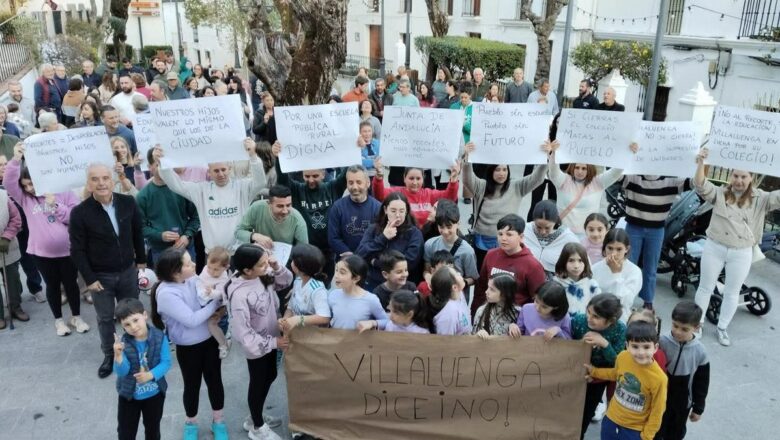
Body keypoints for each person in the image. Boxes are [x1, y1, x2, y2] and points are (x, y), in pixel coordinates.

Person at [692, 147, 780, 346]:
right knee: (705, 287)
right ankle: (697, 324)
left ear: (752, 178)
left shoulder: (761, 198)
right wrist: (701, 163)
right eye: (736, 175)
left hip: (741, 251)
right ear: (731, 176)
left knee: (732, 291)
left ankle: (722, 327)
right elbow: (701, 185)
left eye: (744, 176)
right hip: (715, 246)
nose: (739, 180)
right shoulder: (721, 193)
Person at [69, 163, 147, 378]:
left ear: (112, 180)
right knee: (105, 318)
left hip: (128, 271)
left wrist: (141, 261)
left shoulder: (127, 202)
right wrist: (90, 279)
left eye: (105, 177)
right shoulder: (80, 213)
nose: (101, 182)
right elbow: (77, 250)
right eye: (95, 179)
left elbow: (137, 233)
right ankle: (110, 355)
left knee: (132, 313)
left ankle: (137, 350)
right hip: (100, 277)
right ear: (88, 183)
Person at [7, 144, 85, 336]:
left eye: (31, 183)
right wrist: (16, 159)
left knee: (71, 284)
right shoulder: (25, 198)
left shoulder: (63, 192)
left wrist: (56, 205)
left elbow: (75, 217)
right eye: (24, 185)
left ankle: (76, 316)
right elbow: (9, 182)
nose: (28, 188)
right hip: (41, 253)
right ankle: (58, 320)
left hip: (68, 250)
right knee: (52, 286)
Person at [150, 248, 227, 440]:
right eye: (188, 263)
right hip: (188, 348)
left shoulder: (191, 279)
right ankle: (191, 422)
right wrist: (215, 305)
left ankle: (218, 421)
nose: (194, 264)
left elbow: (212, 289)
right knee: (192, 385)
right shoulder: (166, 293)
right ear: (175, 272)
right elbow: (192, 320)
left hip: (209, 342)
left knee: (215, 381)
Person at [226, 244, 290, 440]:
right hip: (258, 346)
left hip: (271, 337)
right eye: (262, 264)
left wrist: (277, 266)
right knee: (258, 382)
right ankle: (257, 426)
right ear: (247, 270)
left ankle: (255, 416)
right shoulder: (238, 295)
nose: (267, 266)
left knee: (269, 375)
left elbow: (285, 281)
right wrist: (273, 343)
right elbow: (243, 334)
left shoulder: (261, 274)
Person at [159, 140, 267, 254]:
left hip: (239, 252)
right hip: (213, 255)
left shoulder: (242, 187)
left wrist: (253, 156)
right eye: (216, 171)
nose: (221, 174)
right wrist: (162, 162)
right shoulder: (201, 190)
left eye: (223, 169)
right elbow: (176, 185)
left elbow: (260, 182)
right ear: (209, 172)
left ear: (229, 169)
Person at [462, 141, 548, 268]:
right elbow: (467, 179)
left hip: (508, 242)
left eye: (504, 169)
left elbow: (537, 178)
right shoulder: (481, 186)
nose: (501, 173)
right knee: (483, 274)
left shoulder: (517, 186)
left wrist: (545, 158)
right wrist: (467, 158)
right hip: (482, 241)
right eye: (497, 169)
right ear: (491, 171)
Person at [585, 320, 668, 440]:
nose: (640, 352)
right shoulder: (622, 357)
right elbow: (615, 374)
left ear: (655, 348)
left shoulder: (659, 379)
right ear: (627, 345)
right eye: (635, 346)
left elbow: (658, 410)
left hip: (634, 429)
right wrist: (594, 371)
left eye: (646, 347)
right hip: (611, 420)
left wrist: (647, 436)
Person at [621, 172, 690, 310]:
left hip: (656, 229)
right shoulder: (632, 176)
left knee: (651, 267)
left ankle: (648, 299)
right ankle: (624, 299)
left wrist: (700, 163)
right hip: (634, 227)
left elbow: (695, 183)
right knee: (628, 265)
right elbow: (616, 175)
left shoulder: (671, 180)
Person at [543, 139, 636, 236]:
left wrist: (627, 154)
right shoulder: (563, 181)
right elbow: (553, 172)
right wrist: (554, 153)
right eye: (577, 167)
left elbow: (615, 173)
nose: (580, 171)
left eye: (584, 168)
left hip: (587, 236)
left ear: (589, 169)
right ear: (572, 167)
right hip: (563, 234)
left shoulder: (597, 183)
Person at [113, 298, 171, 440]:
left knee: (153, 430)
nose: (133, 327)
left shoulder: (159, 337)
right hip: (129, 396)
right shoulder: (124, 343)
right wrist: (118, 356)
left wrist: (150, 375)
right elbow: (122, 372)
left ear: (144, 315)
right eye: (127, 324)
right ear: (122, 326)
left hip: (154, 395)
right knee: (125, 431)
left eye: (135, 320)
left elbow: (166, 362)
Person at [572, 294, 626, 439]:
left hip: (598, 380)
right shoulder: (578, 320)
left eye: (596, 316)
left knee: (585, 415)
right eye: (588, 312)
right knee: (568, 412)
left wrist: (604, 344)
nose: (589, 318)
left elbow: (618, 362)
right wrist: (579, 345)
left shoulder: (620, 330)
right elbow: (565, 345)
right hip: (574, 375)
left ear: (611, 321)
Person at [473, 214, 547, 315]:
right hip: (488, 313)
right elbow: (481, 287)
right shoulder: (491, 255)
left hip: (516, 319)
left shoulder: (533, 265)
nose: (503, 238)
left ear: (521, 237)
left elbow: (537, 300)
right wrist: (475, 312)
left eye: (509, 234)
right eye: (500, 234)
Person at [136, 149, 200, 265]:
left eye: (165, 164)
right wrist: (159, 235)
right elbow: (140, 227)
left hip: (185, 247)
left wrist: (187, 235)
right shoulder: (142, 196)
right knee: (166, 283)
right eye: (157, 164)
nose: (162, 168)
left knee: (190, 281)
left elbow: (197, 217)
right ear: (149, 167)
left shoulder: (183, 190)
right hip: (161, 251)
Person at [657, 301, 710, 439]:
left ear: (697, 328)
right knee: (656, 429)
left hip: (682, 401)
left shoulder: (700, 352)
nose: (678, 332)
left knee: (676, 432)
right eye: (675, 325)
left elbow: (702, 382)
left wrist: (698, 408)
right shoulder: (661, 341)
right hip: (660, 396)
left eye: (684, 329)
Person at [356, 192, 423, 292]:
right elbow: (360, 254)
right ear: (385, 210)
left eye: (401, 211)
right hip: (373, 283)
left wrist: (375, 262)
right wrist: (383, 237)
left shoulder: (414, 233)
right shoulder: (373, 229)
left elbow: (410, 262)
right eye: (393, 211)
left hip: (401, 286)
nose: (397, 215)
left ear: (406, 212)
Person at [372, 158, 460, 228]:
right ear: (404, 178)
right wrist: (379, 175)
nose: (415, 182)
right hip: (404, 236)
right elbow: (380, 195)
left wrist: (454, 179)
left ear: (423, 179)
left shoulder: (430, 194)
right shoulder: (397, 193)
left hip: (426, 236)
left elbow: (449, 198)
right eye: (411, 178)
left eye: (418, 179)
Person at [327, 165, 381, 260]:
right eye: (350, 183)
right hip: (346, 262)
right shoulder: (337, 207)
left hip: (370, 261)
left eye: (359, 182)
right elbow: (333, 238)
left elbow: (380, 238)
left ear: (368, 183)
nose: (354, 187)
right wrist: (350, 257)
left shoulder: (378, 208)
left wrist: (364, 254)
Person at [423, 202, 479, 288]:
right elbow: (426, 269)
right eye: (441, 227)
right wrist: (428, 277)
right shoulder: (430, 244)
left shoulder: (467, 251)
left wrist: (460, 282)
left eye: (449, 227)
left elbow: (473, 278)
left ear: (458, 223)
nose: (445, 231)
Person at [592, 228, 642, 323]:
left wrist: (616, 274)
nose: (614, 254)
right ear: (604, 247)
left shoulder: (634, 271)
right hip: (595, 315)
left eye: (619, 249)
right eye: (610, 248)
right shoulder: (595, 268)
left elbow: (626, 302)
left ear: (626, 249)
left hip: (619, 318)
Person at [278, 244, 331, 331]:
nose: (291, 262)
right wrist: (285, 320)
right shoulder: (298, 281)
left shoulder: (317, 290)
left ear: (299, 267)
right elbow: (291, 307)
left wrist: (299, 319)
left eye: (293, 260)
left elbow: (324, 317)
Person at [235, 185, 309, 247]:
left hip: (285, 257)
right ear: (269, 204)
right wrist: (255, 236)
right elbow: (238, 232)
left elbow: (304, 249)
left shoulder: (297, 219)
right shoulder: (257, 207)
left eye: (288, 205)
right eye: (280, 206)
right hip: (260, 255)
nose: (285, 211)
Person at [329, 255, 388, 330]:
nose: (336, 276)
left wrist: (372, 323)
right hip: (336, 339)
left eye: (342, 272)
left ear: (356, 278)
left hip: (358, 341)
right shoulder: (333, 295)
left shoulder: (370, 299)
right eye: (336, 270)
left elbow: (386, 321)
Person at [523, 200, 580, 275]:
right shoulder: (524, 230)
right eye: (538, 227)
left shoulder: (568, 238)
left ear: (555, 221)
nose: (542, 232)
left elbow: (582, 262)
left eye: (547, 228)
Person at [195, 248, 231, 359]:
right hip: (206, 303)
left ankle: (223, 344)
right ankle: (224, 336)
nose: (211, 271)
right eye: (209, 267)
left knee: (213, 325)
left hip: (218, 307)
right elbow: (200, 280)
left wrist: (211, 292)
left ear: (226, 267)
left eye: (216, 269)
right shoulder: (206, 269)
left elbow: (221, 294)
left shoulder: (224, 277)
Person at [0, 183, 24, 330]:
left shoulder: (3, 196)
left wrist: (6, 237)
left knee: (13, 280)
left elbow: (16, 219)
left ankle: (16, 307)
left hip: (8, 248)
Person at [553, 242, 601, 315]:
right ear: (563, 262)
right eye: (571, 260)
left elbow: (598, 309)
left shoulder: (592, 285)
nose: (576, 266)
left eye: (580, 260)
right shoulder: (556, 284)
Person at [425, 266, 471, 335]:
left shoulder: (459, 293)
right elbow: (446, 343)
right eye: (456, 274)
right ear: (454, 287)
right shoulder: (448, 315)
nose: (459, 273)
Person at [472, 273, 518, 337]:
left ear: (505, 294)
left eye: (492, 289)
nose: (486, 292)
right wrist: (479, 334)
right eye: (488, 287)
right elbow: (472, 337)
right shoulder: (481, 311)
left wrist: (514, 326)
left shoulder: (518, 313)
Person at [363, 289, 429, 333]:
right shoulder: (390, 325)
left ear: (409, 314)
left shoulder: (421, 332)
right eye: (390, 311)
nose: (390, 316)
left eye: (396, 312)